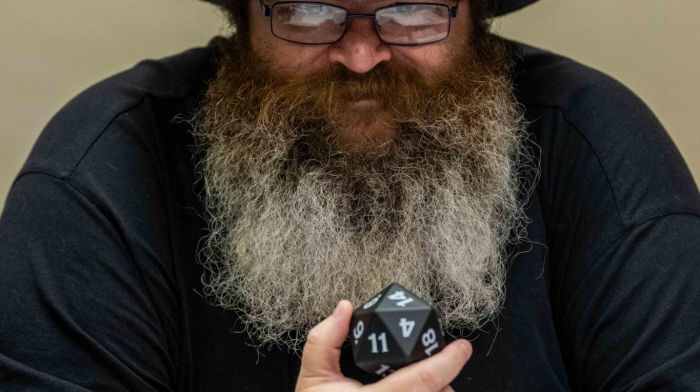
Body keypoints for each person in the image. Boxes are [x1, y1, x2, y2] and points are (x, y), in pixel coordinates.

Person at [1, 0, 699, 390]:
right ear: (243, 14)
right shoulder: (102, 170)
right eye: (310, 9)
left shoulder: (594, 143)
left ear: (475, 14)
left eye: (414, 8)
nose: (361, 54)